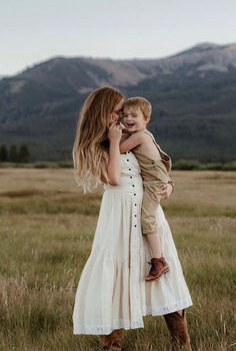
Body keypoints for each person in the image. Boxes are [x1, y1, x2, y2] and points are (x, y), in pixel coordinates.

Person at [72, 86, 193, 351]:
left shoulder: (133, 135)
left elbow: (152, 164)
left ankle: (181, 345)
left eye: (125, 112)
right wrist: (114, 142)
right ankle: (111, 345)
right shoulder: (95, 144)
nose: (122, 117)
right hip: (118, 216)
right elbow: (114, 178)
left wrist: (169, 184)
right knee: (115, 278)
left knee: (163, 274)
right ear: (104, 113)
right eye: (118, 111)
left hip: (148, 213)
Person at [119, 97, 173, 282]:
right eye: (125, 115)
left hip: (153, 183)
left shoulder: (140, 136)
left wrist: (111, 136)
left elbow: (119, 148)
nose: (128, 119)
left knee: (147, 218)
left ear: (146, 119)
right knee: (147, 216)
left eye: (134, 115)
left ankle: (159, 261)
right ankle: (159, 259)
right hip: (155, 179)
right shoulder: (142, 134)